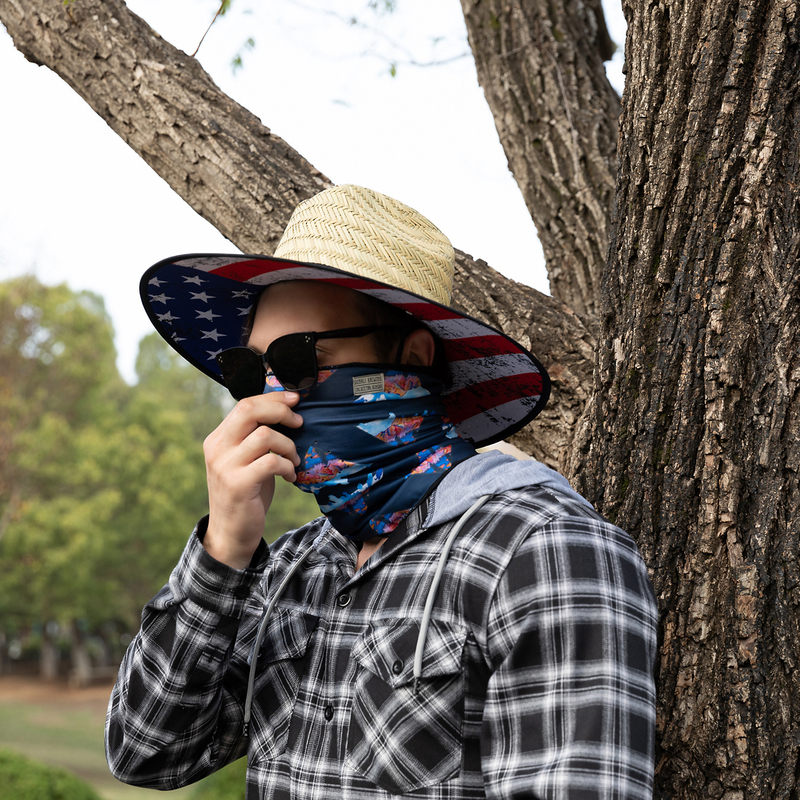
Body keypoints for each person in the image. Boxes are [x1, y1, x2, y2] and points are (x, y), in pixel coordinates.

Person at [106, 185, 658, 799]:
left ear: (413, 356)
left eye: (296, 360)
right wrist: (223, 551)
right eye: (248, 372)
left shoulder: (539, 549)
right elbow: (146, 751)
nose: (269, 398)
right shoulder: (294, 566)